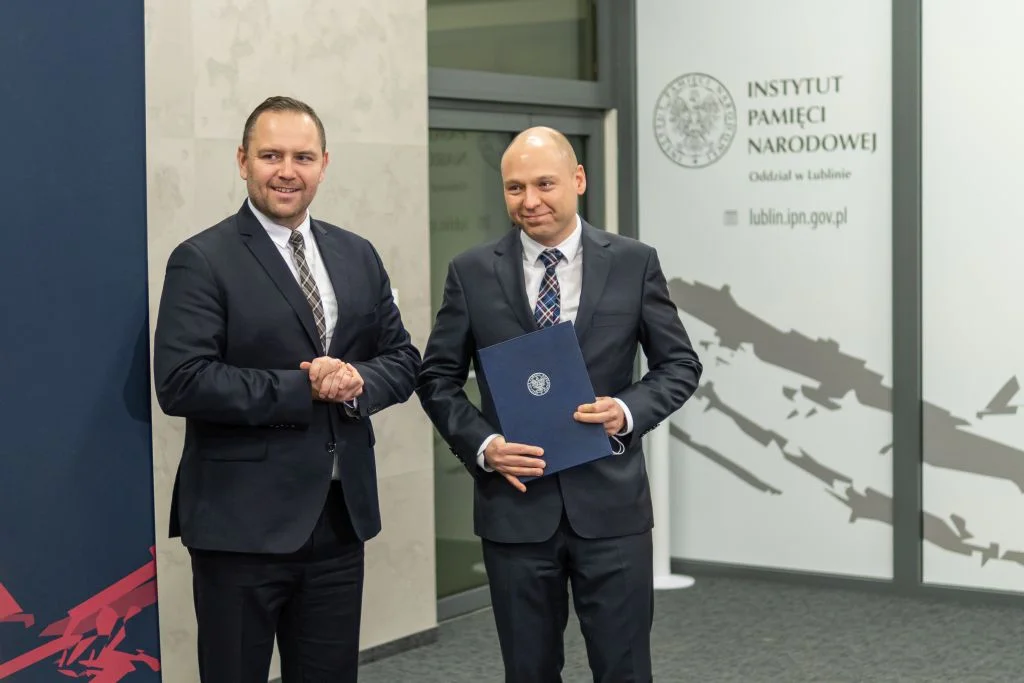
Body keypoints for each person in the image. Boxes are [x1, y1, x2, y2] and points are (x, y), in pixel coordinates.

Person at [416, 126, 703, 682]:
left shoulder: (633, 262)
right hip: (515, 509)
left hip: (612, 508)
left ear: (578, 180)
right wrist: (484, 446)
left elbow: (680, 365)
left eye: (544, 184)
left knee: (624, 670)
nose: (530, 201)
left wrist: (626, 412)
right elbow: (437, 379)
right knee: (528, 671)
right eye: (515, 188)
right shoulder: (471, 272)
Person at [153, 96, 420, 683]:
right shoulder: (201, 259)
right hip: (240, 526)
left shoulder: (357, 254)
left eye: (302, 157)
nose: (287, 171)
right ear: (242, 161)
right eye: (270, 155)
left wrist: (358, 380)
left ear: (324, 163)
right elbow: (182, 381)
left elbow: (403, 359)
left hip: (338, 520)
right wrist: (305, 388)